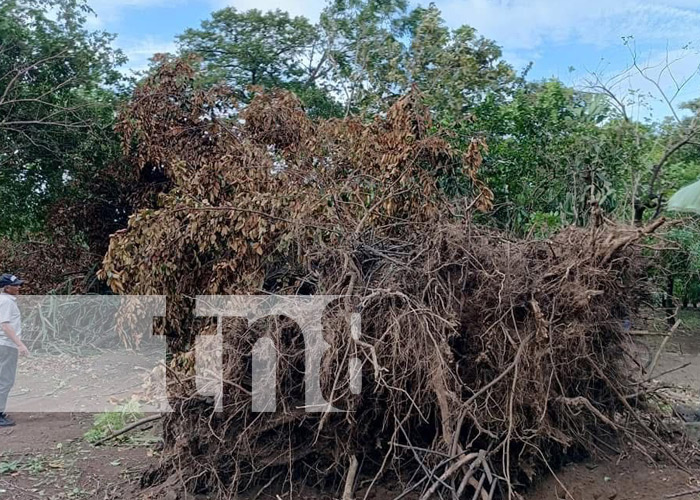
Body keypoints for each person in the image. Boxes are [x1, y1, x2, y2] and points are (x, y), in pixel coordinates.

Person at [0, 274, 28, 427]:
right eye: (15, 285)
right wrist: (19, 344)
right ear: (6, 288)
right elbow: (5, 325)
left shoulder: (5, 300)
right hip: (6, 345)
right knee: (5, 380)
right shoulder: (6, 302)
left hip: (3, 344)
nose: (18, 287)